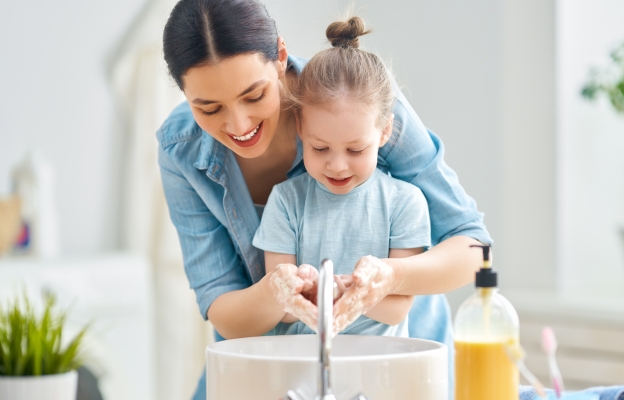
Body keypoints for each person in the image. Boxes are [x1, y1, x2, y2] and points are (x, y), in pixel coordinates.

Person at [158, 0, 492, 398]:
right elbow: (222, 307)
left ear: (280, 57)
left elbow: (474, 246)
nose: (239, 125)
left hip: (397, 360)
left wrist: (390, 278)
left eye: (254, 95)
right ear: (183, 93)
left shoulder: (359, 101)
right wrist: (273, 292)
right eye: (208, 107)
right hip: (270, 360)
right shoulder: (180, 148)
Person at [252, 16, 431, 338]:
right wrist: (300, 288)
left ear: (385, 131)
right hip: (302, 366)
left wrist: (338, 290)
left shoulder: (405, 203)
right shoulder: (287, 200)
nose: (337, 166)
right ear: (300, 129)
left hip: (380, 370)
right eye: (320, 148)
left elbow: (396, 310)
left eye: (355, 150)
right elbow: (284, 310)